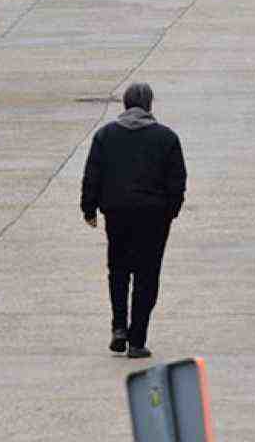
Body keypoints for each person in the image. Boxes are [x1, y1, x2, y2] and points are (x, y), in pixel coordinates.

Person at [81, 81, 187, 359]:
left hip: (117, 213)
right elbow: (177, 181)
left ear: (125, 104)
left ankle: (118, 327)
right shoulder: (167, 138)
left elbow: (93, 174)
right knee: (146, 276)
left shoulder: (105, 135)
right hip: (153, 217)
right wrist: (170, 212)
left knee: (118, 270)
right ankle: (137, 340)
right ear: (150, 105)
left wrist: (89, 209)